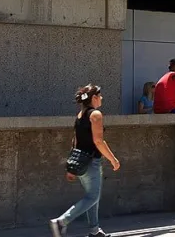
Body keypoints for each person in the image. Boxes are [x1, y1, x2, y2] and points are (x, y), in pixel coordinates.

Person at [50, 85, 120, 237]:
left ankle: (95, 231)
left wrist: (71, 167)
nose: (102, 98)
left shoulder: (81, 114)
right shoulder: (95, 114)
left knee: (91, 196)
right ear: (94, 97)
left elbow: (75, 140)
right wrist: (113, 160)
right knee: (93, 197)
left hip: (81, 161)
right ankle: (61, 222)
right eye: (100, 95)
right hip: (91, 162)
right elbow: (99, 141)